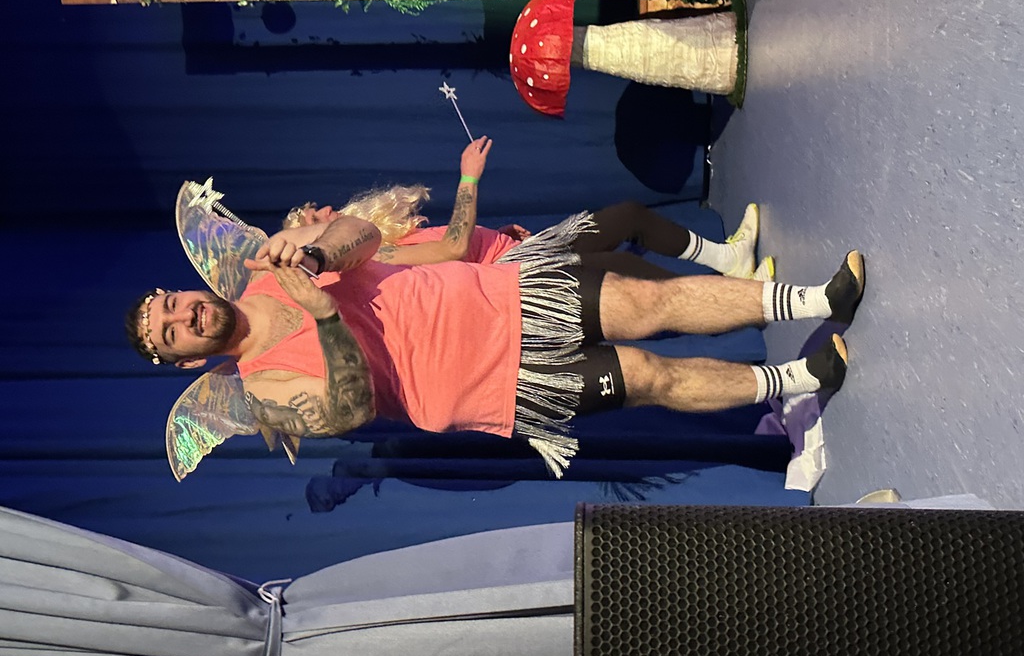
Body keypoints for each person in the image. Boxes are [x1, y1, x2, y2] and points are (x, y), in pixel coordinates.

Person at [128, 139, 865, 477]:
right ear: (184, 360)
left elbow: (363, 234)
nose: (183, 318)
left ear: (184, 291)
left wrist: (318, 258)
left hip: (504, 294)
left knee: (651, 299)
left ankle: (811, 298)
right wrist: (323, 318)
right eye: (171, 334)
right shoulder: (262, 390)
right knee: (647, 375)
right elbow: (348, 411)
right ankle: (800, 379)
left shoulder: (271, 262)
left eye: (172, 305)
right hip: (492, 385)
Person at [282, 137, 775, 281]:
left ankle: (727, 261)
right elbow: (452, 249)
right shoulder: (379, 259)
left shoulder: (382, 239)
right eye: (314, 217)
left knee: (627, 217)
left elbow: (459, 245)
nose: (325, 210)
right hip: (517, 278)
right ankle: (740, 297)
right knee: (625, 270)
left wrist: (497, 234)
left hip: (516, 252)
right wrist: (468, 178)